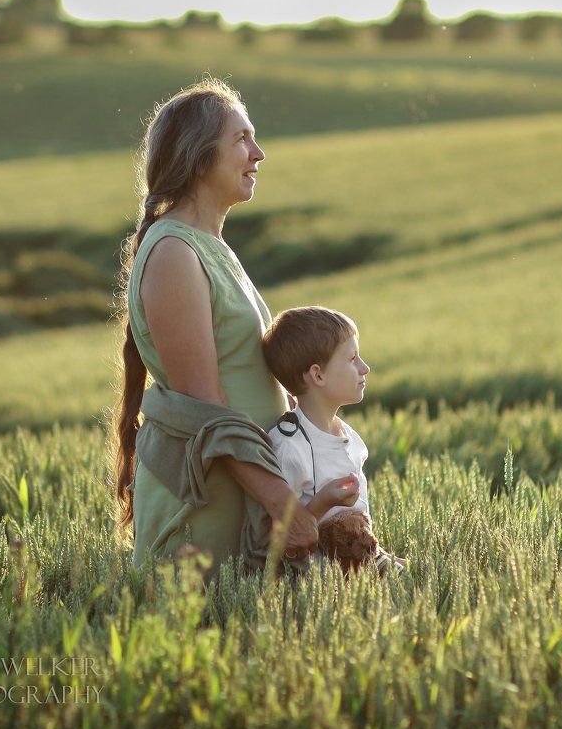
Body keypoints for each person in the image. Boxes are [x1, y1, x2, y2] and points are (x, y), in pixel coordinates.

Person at [112, 78, 360, 583]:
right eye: (242, 139)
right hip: (207, 505)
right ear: (200, 155)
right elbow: (206, 408)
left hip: (244, 491)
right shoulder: (175, 254)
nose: (259, 153)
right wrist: (282, 504)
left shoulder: (208, 246)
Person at [261, 306, 407, 573]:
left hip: (358, 569)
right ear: (318, 375)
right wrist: (324, 501)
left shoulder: (350, 437)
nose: (365, 368)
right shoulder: (290, 447)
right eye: (352, 359)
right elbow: (282, 538)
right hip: (318, 583)